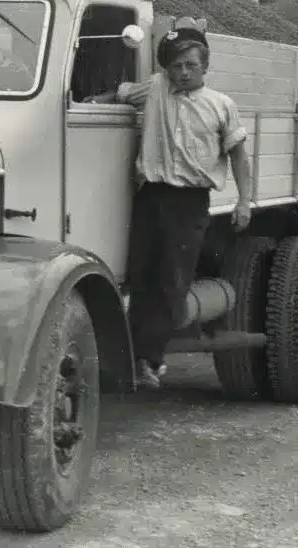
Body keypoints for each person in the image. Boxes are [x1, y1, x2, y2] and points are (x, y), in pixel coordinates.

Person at [115, 19, 253, 389]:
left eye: (191, 65)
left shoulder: (221, 106)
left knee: (172, 280)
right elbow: (120, 94)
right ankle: (138, 360)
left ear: (205, 66)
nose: (183, 72)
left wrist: (244, 201)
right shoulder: (156, 88)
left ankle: (150, 359)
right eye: (176, 65)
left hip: (190, 202)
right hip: (151, 196)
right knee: (140, 275)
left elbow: (239, 156)